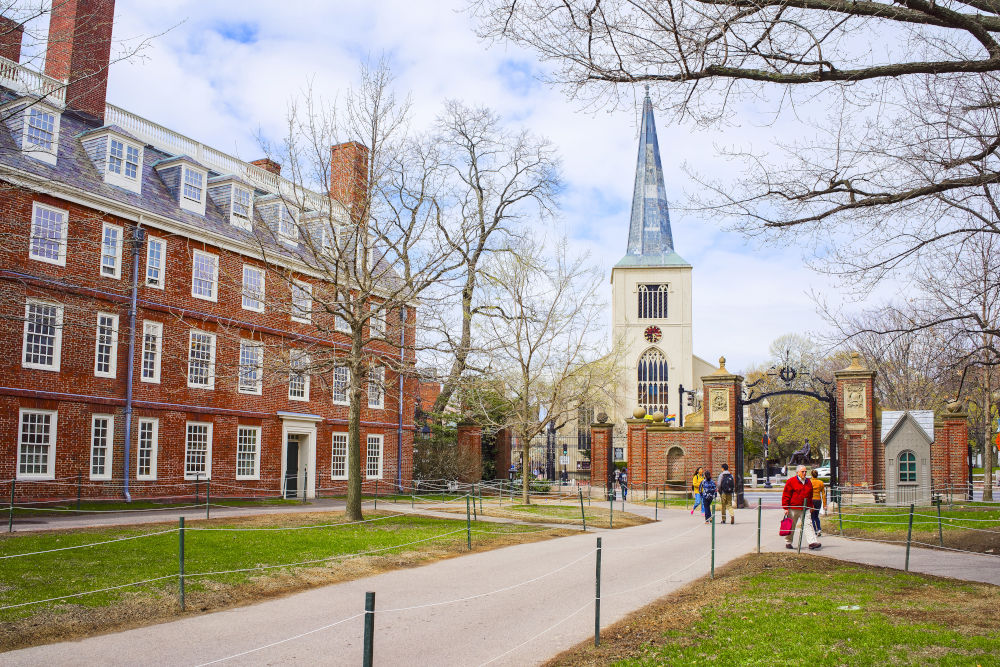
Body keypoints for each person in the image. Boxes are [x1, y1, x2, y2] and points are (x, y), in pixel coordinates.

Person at [782, 465, 820, 549]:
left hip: (805, 508)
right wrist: (785, 507)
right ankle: (788, 542)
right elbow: (786, 495)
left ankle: (812, 542)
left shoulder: (808, 482)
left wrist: (811, 506)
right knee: (791, 525)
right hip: (793, 508)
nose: (804, 473)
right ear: (797, 472)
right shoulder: (791, 481)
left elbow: (810, 495)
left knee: (808, 524)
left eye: (805, 471)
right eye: (802, 471)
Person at [810, 469, 827, 536]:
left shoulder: (809, 482)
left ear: (811, 475)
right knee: (817, 516)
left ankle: (814, 530)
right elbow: (823, 494)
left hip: (812, 500)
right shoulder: (821, 482)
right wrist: (824, 504)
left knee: (812, 517)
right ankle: (819, 529)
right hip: (818, 500)